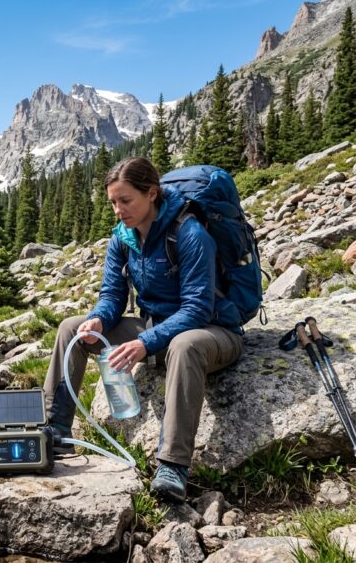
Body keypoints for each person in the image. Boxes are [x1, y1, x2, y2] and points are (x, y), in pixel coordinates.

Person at [43, 156, 244, 503]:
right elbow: (111, 295)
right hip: (156, 329)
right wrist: (99, 320)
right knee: (70, 329)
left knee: (184, 346)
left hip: (212, 331)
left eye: (126, 200)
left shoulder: (190, 233)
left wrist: (144, 342)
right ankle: (54, 428)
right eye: (113, 202)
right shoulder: (123, 237)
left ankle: (173, 466)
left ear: (151, 193)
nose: (118, 210)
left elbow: (197, 309)